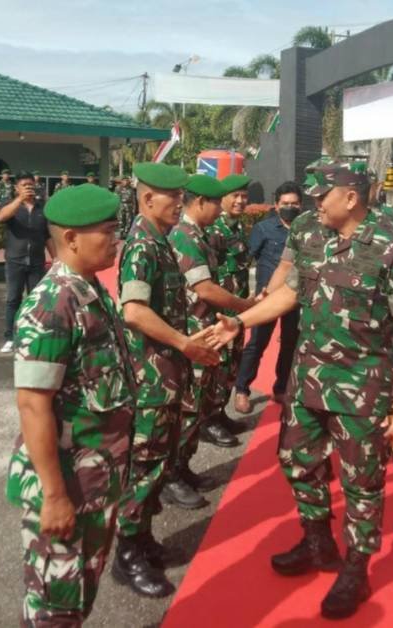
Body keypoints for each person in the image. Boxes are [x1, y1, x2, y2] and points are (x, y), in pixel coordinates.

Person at [210, 162, 393, 619]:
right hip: (308, 381)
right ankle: (317, 541)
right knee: (295, 461)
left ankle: (356, 568)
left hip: (363, 389)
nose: (313, 203)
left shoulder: (391, 250)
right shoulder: (311, 237)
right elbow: (290, 293)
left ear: (350, 197)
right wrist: (240, 321)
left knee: (361, 482)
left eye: (321, 195)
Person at [6, 184, 134, 626]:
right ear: (72, 238)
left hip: (96, 480)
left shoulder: (89, 289)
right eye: (108, 230)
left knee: (77, 596)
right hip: (68, 485)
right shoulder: (52, 303)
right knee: (54, 606)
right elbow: (32, 405)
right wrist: (55, 496)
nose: (116, 238)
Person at [112, 163, 221, 597]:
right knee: (143, 463)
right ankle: (127, 553)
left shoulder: (160, 241)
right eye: (170, 196)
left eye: (181, 196)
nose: (179, 203)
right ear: (146, 199)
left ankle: (142, 538)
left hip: (167, 372)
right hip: (150, 375)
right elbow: (134, 311)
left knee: (157, 461)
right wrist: (185, 343)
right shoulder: (141, 244)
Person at [166, 174, 255, 499]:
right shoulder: (186, 236)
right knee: (189, 408)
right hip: (194, 333)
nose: (220, 209)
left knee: (199, 403)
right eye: (216, 202)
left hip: (206, 331)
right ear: (200, 202)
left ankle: (183, 468)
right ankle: (170, 477)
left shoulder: (198, 234)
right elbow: (204, 289)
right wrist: (244, 306)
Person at [233, 181, 303, 414]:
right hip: (268, 296)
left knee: (290, 344)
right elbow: (247, 259)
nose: (290, 207)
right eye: (285, 204)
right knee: (256, 343)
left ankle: (281, 387)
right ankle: (242, 389)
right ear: (276, 205)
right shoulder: (264, 229)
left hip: (295, 296)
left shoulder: (307, 228)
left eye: (294, 204)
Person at [206, 174, 253, 424]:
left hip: (238, 310)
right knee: (218, 365)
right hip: (220, 312)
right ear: (222, 198)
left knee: (232, 364)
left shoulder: (237, 226)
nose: (240, 201)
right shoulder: (214, 229)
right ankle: (209, 420)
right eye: (235, 195)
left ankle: (220, 412)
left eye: (244, 196)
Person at [0, 171, 55, 353]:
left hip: (36, 261)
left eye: (30, 185)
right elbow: (2, 217)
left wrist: (57, 258)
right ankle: (10, 337)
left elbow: (47, 236)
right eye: (24, 185)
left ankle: (32, 334)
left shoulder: (41, 209)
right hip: (15, 261)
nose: (29, 188)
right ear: (17, 188)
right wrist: (19, 200)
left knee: (35, 300)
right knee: (13, 299)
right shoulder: (13, 206)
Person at [114, 173, 137, 238]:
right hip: (121, 205)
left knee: (129, 220)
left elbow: (133, 199)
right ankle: (121, 233)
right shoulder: (118, 188)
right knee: (121, 220)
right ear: (121, 181)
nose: (125, 182)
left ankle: (126, 233)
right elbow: (116, 198)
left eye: (126, 180)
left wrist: (134, 208)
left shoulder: (131, 189)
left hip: (129, 206)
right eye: (124, 180)